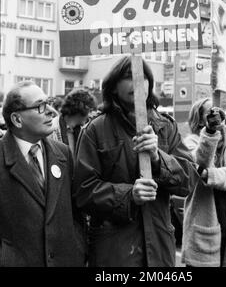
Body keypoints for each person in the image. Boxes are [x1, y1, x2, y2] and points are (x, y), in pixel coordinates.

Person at [73, 55, 194, 267]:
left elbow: (188, 182)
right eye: (129, 76)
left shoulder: (165, 126)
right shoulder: (96, 129)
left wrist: (158, 159)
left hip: (159, 248)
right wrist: (129, 195)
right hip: (115, 252)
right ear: (112, 87)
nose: (139, 81)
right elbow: (84, 191)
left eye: (145, 77)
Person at [0, 81, 85, 267]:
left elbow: (76, 211)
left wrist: (78, 249)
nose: (52, 112)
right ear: (16, 119)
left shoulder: (62, 153)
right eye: (40, 106)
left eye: (50, 103)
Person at [182, 105, 226, 267]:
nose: (215, 115)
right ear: (200, 119)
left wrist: (208, 174)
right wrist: (209, 134)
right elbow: (198, 164)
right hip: (202, 223)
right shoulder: (189, 143)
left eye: (217, 112)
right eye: (209, 112)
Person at [51, 88, 97, 158]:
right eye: (90, 111)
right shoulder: (52, 128)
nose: (91, 115)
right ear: (80, 108)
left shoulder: (84, 130)